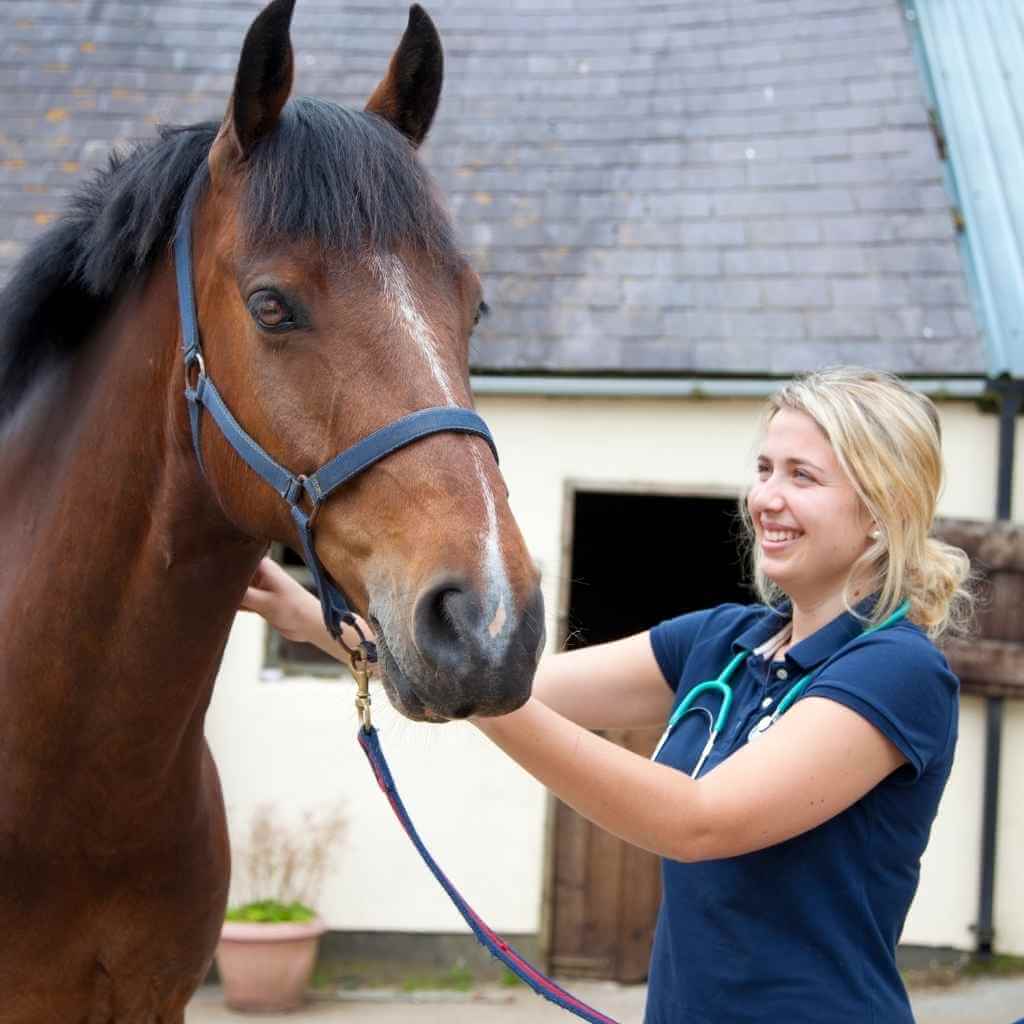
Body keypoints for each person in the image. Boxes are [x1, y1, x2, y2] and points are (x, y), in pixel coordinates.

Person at [241, 366, 973, 1024]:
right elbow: (532, 690)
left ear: (882, 510)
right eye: (763, 468)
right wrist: (320, 623)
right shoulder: (723, 641)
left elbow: (699, 823)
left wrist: (478, 687)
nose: (766, 499)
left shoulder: (895, 671)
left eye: (802, 477)